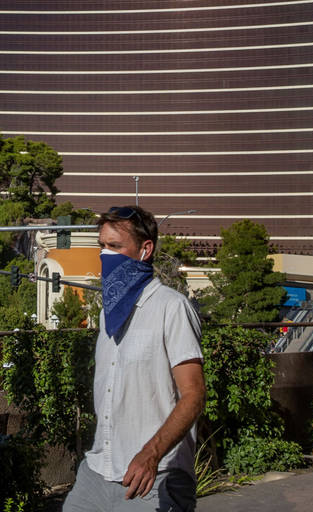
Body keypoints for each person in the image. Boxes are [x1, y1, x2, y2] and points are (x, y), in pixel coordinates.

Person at [63, 205, 205, 512]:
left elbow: (194, 395)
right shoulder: (106, 313)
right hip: (98, 471)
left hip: (155, 476)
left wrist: (150, 454)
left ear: (145, 250)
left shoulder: (172, 307)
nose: (105, 255)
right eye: (102, 246)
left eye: (115, 246)